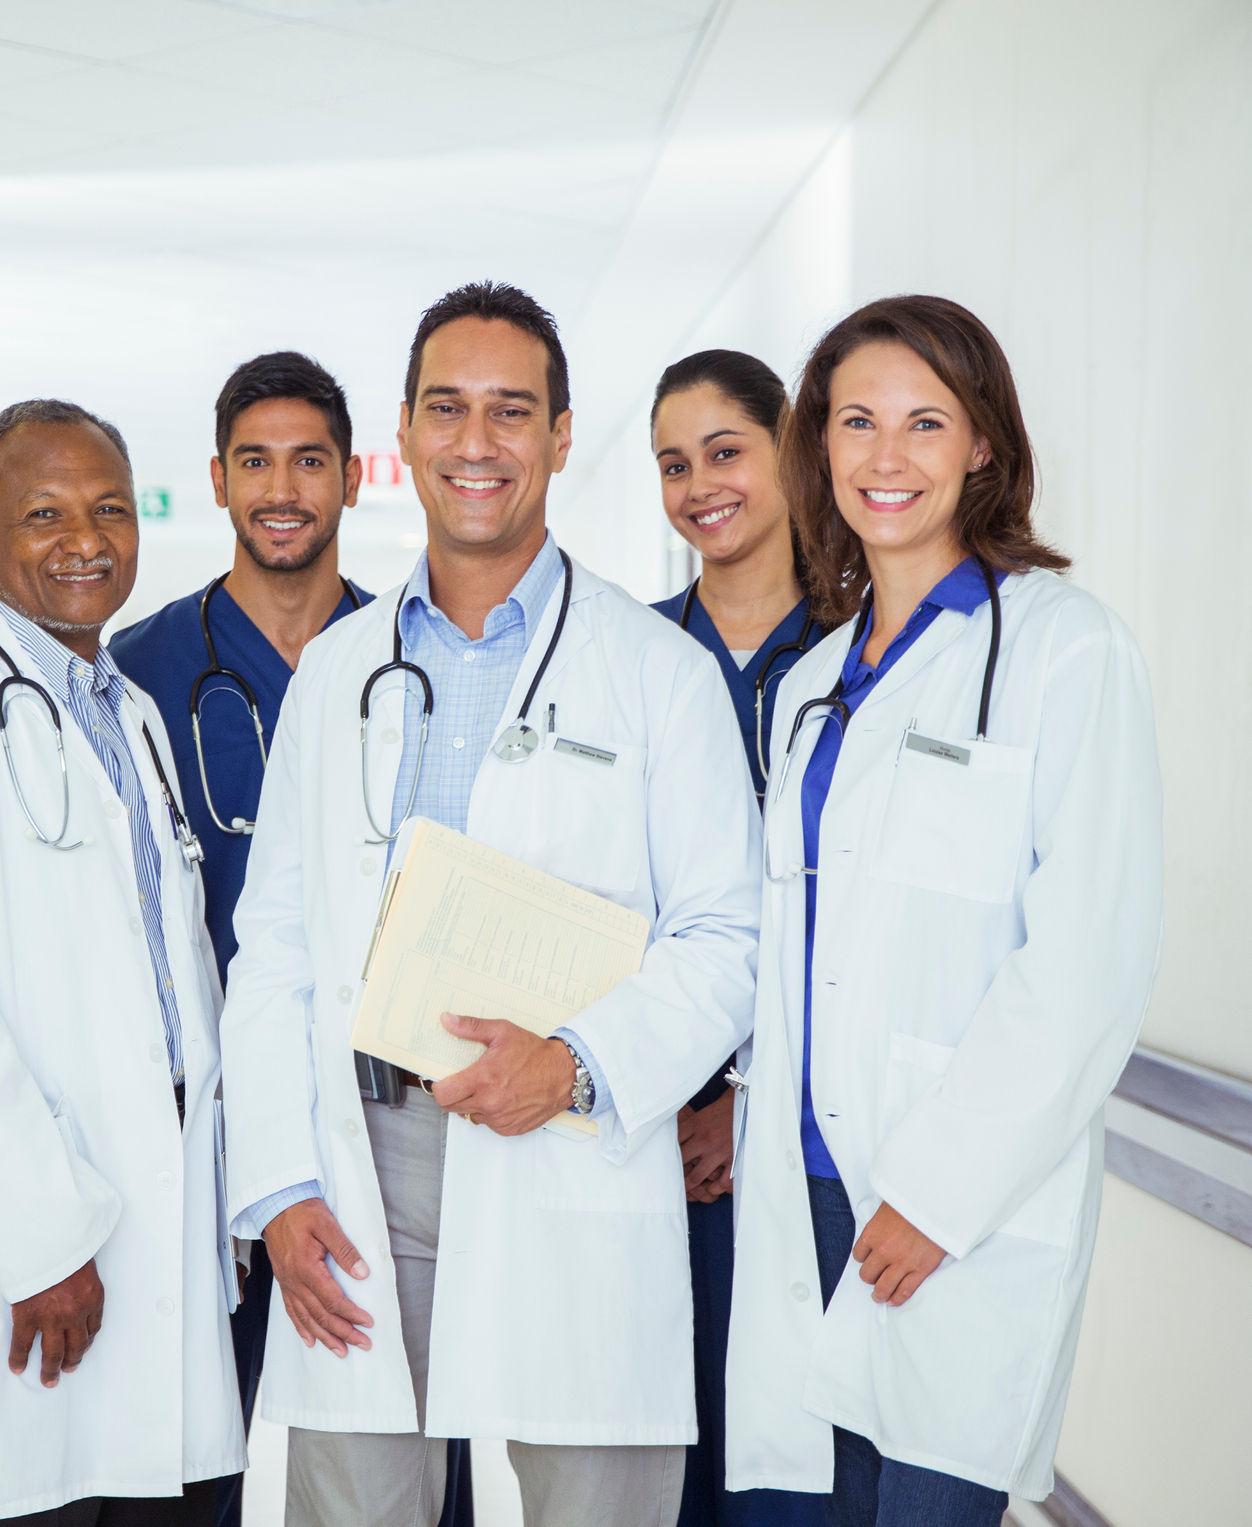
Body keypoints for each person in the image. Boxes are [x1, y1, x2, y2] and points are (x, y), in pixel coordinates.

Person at [220, 282, 762, 1527]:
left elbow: (726, 938)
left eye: (510, 412)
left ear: (560, 437)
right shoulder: (336, 675)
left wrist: (574, 1067)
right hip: (364, 1162)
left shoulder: (657, 676)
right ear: (401, 438)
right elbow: (277, 947)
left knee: (592, 1504)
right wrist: (281, 1187)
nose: (476, 444)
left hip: (565, 1145)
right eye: (446, 411)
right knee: (357, 1507)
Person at [723, 295, 1162, 1524]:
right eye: (854, 422)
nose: (883, 456)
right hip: (802, 1186)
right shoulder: (815, 679)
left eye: (923, 423)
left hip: (944, 1205)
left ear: (981, 444)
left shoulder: (1065, 653)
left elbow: (1085, 963)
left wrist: (935, 1192)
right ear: (818, 446)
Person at [0, 399, 246, 1527]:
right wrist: (38, 1242)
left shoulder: (128, 714)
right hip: (28, 1257)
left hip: (153, 1222)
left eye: (109, 509)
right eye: (43, 514)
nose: (86, 539)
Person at [110, 355, 479, 1527]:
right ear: (216, 480)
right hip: (194, 1114)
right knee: (184, 1452)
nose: (282, 488)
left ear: (353, 477)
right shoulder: (139, 672)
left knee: (407, 1445)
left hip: (379, 1113)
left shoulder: (413, 656)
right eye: (255, 461)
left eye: (308, 460)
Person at [646, 351, 827, 1527]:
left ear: (786, 452)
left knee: (794, 1463)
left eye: (725, 451)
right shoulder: (633, 659)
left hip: (810, 1126)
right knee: (671, 1454)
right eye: (672, 463)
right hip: (654, 1129)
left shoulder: (865, 651)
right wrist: (670, 1085)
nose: (698, 485)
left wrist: (748, 1093)